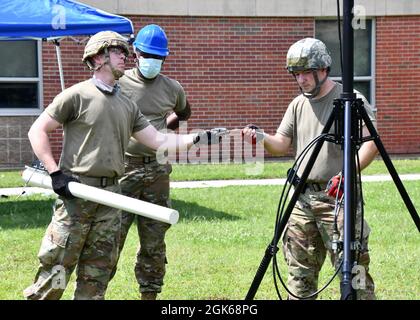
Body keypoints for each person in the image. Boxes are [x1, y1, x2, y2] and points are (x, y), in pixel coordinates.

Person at [23, 30, 217, 300]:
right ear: (99, 57)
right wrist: (56, 173)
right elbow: (37, 130)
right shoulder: (76, 95)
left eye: (127, 52)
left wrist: (196, 138)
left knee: (96, 278)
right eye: (119, 52)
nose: (127, 57)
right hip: (76, 195)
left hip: (111, 198)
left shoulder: (126, 104)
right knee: (55, 273)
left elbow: (157, 139)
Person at [242, 38, 378, 300]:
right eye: (296, 74)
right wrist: (261, 137)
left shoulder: (349, 100)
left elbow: (371, 144)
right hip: (302, 200)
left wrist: (347, 173)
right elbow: (282, 144)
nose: (301, 79)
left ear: (323, 69)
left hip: (337, 199)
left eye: (306, 72)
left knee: (353, 271)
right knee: (299, 275)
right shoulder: (298, 104)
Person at [108, 24, 191, 300]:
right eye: (147, 55)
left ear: (164, 59)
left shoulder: (172, 88)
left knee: (154, 240)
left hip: (157, 171)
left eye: (158, 57)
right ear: (136, 53)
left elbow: (183, 111)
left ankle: (150, 294)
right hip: (124, 168)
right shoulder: (118, 83)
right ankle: (95, 291)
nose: (152, 61)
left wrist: (166, 128)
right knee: (111, 235)